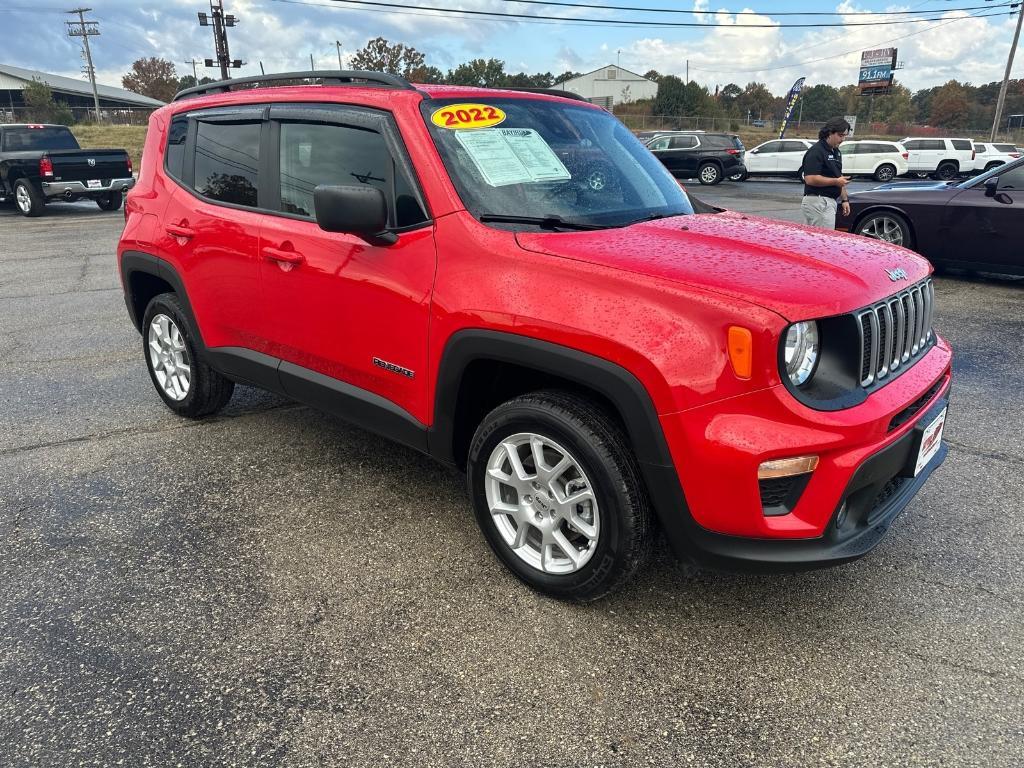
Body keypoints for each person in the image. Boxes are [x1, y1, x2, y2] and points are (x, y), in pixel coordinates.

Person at [800, 117, 851, 229]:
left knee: (818, 241)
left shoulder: (836, 152)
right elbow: (810, 179)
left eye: (845, 136)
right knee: (822, 242)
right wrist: (836, 181)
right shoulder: (816, 151)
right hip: (818, 202)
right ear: (829, 133)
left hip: (828, 202)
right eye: (840, 135)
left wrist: (844, 200)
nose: (843, 139)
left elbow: (838, 177)